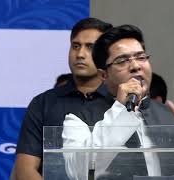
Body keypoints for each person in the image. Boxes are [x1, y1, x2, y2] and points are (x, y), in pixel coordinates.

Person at [62, 24, 174, 180]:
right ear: (104, 75)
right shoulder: (77, 119)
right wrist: (122, 110)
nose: (135, 66)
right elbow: (80, 173)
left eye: (141, 57)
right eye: (122, 61)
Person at [13, 18, 113, 180]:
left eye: (90, 47)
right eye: (75, 46)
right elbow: (25, 170)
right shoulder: (43, 103)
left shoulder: (120, 103)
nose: (80, 54)